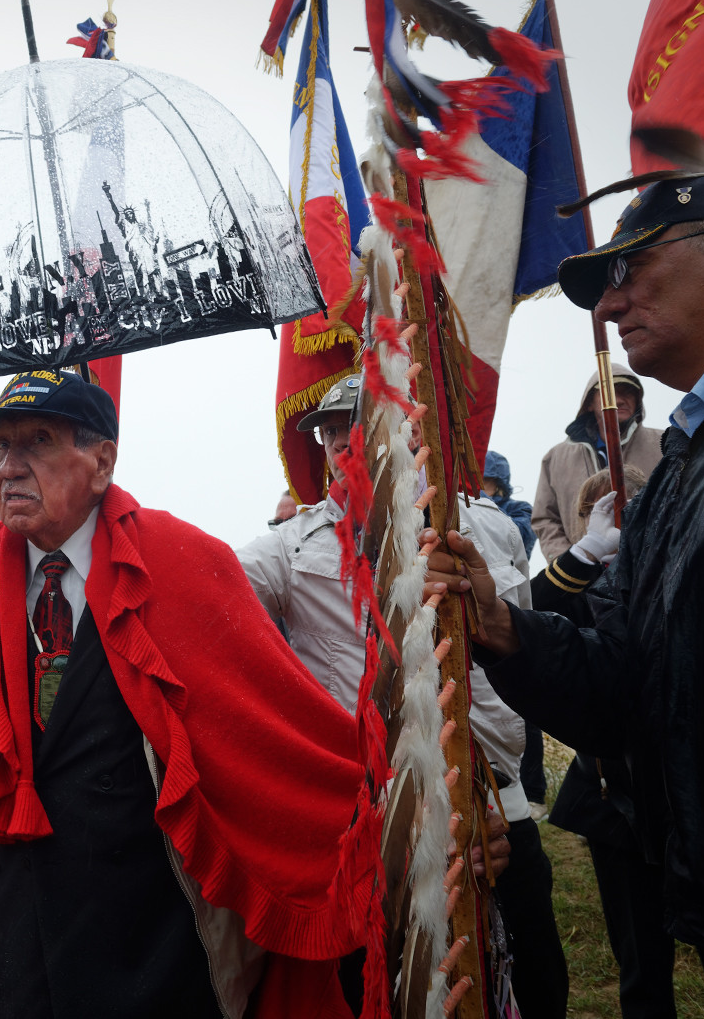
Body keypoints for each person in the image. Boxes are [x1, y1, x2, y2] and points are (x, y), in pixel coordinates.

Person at [0, 370, 498, 1019]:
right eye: (1, 446)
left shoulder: (184, 563)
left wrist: (419, 814)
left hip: (156, 949)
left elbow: (286, 747)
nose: (7, 467)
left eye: (38, 441)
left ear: (101, 462)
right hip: (18, 959)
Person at [425, 171, 704, 1016]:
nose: (607, 305)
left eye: (630, 268)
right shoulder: (679, 470)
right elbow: (628, 686)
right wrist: (505, 628)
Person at [238, 378, 564, 1019]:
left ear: (409, 429)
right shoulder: (292, 544)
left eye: (360, 424)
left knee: (531, 984)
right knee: (380, 990)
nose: (344, 442)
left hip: (494, 810)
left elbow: (518, 659)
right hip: (370, 821)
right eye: (331, 431)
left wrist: (482, 796)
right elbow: (218, 596)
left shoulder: (486, 528)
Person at [534, 468, 675, 1019]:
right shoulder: (578, 580)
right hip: (613, 793)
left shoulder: (674, 561)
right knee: (640, 956)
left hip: (685, 785)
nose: (620, 518)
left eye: (631, 506)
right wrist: (590, 554)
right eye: (603, 511)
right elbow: (530, 615)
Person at [530, 365, 662, 561]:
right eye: (610, 392)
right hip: (583, 571)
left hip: (652, 567)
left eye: (628, 392)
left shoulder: (663, 444)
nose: (619, 399)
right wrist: (571, 561)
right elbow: (545, 519)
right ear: (589, 403)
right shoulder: (556, 457)